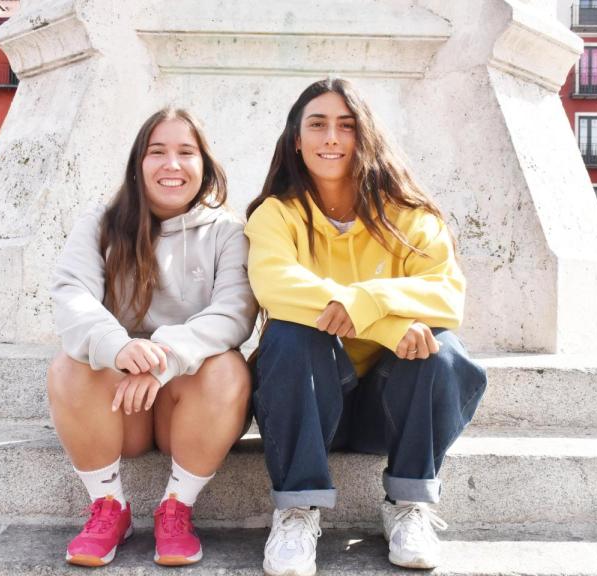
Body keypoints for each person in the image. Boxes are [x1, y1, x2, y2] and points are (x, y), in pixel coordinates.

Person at [244, 78, 488, 575]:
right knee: (290, 333)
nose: (331, 137)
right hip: (308, 405)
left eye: (346, 126)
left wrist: (369, 300)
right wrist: (384, 327)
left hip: (387, 411)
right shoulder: (276, 214)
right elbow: (275, 287)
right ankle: (295, 510)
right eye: (317, 124)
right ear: (296, 138)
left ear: (365, 137)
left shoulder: (411, 217)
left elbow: (448, 294)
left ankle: (407, 504)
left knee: (437, 350)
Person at [47, 108, 257, 568]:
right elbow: (71, 296)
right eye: (157, 152)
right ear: (137, 163)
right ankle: (109, 507)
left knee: (228, 366)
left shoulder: (228, 232)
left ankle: (176, 508)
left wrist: (162, 356)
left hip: (190, 400)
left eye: (186, 152)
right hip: (125, 408)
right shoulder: (99, 225)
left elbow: (235, 311)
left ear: (205, 164)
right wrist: (120, 349)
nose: (172, 165)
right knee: (70, 363)